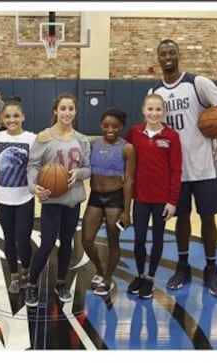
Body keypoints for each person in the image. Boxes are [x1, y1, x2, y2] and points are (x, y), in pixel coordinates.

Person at [150, 38, 217, 297]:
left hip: (203, 167)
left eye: (172, 52)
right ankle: (182, 266)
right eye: (163, 53)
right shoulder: (154, 92)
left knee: (207, 218)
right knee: (181, 218)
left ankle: (211, 269)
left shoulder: (197, 83)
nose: (168, 56)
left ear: (179, 55)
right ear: (158, 58)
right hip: (174, 172)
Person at [24, 93, 91, 308]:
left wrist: (78, 174)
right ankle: (32, 284)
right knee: (47, 244)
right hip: (51, 199)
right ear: (55, 111)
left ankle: (61, 282)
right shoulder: (44, 136)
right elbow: (33, 165)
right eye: (63, 108)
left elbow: (89, 169)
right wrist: (34, 187)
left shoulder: (81, 139)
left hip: (72, 200)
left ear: (75, 111)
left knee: (67, 243)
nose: (67, 113)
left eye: (71, 108)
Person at [124, 94, 182, 299]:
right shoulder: (134, 133)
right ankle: (139, 274)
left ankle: (150, 278)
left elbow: (176, 170)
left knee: (158, 239)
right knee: (139, 240)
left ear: (164, 112)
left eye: (158, 109)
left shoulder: (172, 136)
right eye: (150, 109)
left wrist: (172, 201)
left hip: (162, 201)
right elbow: (125, 158)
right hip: (140, 198)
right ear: (143, 110)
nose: (154, 113)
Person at [81, 108, 136, 296]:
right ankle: (100, 268)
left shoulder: (127, 148)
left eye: (114, 126)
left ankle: (108, 278)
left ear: (120, 126)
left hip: (115, 199)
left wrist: (127, 211)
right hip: (95, 197)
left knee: (113, 241)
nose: (110, 129)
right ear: (101, 126)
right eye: (106, 125)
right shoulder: (93, 144)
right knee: (87, 240)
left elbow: (129, 180)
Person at [0, 100, 36, 294]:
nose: (12, 119)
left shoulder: (32, 139)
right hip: (2, 197)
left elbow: (37, 165)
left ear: (23, 117)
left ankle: (26, 270)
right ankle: (14, 276)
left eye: (16, 116)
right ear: (2, 118)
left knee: (23, 238)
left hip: (25, 197)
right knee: (9, 239)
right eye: (7, 116)